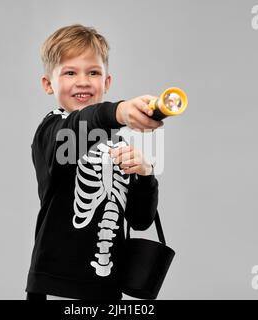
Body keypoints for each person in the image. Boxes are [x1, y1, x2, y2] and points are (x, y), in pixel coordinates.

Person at [25, 24, 163, 300]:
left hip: (108, 287)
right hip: (58, 286)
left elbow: (140, 220)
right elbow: (79, 125)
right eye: (70, 72)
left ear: (107, 82)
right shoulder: (51, 132)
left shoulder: (117, 144)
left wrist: (145, 176)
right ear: (48, 84)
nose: (83, 81)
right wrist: (118, 111)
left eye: (93, 72)